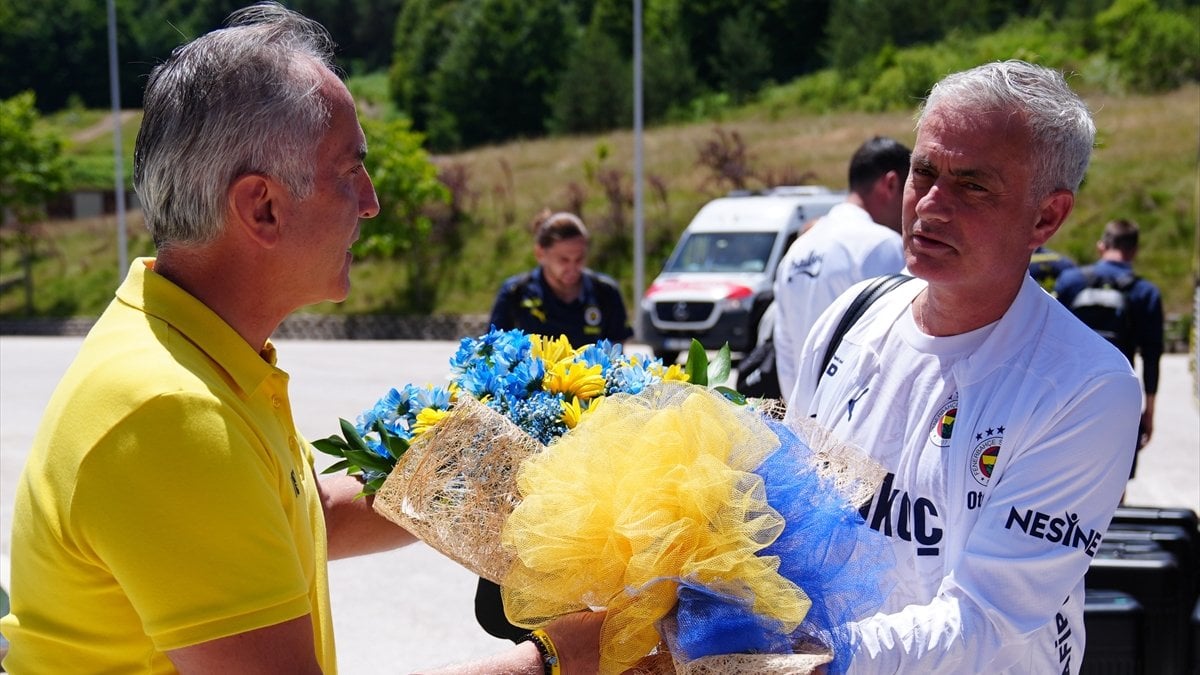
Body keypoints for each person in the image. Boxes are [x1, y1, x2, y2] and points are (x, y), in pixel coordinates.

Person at [0, 4, 601, 673]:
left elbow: (304, 512)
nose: (371, 201)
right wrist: (554, 660)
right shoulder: (171, 409)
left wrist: (513, 472)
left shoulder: (187, 347)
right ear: (262, 206)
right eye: (350, 169)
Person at [783, 60, 1141, 672]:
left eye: (973, 185)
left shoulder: (1086, 387)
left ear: (1047, 218)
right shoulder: (851, 317)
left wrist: (822, 657)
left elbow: (989, 619)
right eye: (923, 172)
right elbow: (786, 518)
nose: (930, 206)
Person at [772, 136, 910, 398]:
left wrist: (799, 417)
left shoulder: (797, 250)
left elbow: (785, 349)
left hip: (803, 418)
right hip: (855, 421)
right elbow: (898, 349)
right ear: (891, 183)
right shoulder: (881, 244)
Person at [1055, 218, 1164, 465]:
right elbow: (1152, 357)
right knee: (1114, 484)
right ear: (1134, 251)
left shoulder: (1070, 282)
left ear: (1101, 246)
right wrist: (1149, 412)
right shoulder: (1146, 293)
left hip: (1067, 399)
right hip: (1120, 401)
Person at [489, 210, 633, 347]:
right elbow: (495, 350)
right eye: (564, 260)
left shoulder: (606, 292)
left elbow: (616, 353)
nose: (572, 268)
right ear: (540, 254)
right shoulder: (516, 293)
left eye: (579, 259)